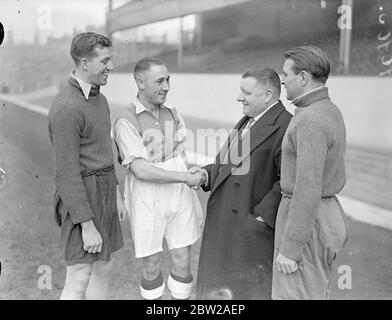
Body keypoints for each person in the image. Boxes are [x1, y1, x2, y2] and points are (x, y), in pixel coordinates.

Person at [193, 67, 292, 299]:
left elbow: (288, 181)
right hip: (228, 225)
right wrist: (207, 174)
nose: (239, 97)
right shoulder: (250, 120)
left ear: (267, 95)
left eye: (246, 92)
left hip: (248, 233)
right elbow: (229, 163)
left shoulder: (286, 125)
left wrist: (260, 217)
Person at [111, 57, 204, 300]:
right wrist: (184, 177)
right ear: (140, 82)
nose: (166, 87)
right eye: (160, 81)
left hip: (179, 192)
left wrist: (192, 172)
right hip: (147, 195)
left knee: (183, 258)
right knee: (151, 263)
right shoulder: (125, 119)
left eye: (168, 79)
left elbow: (180, 155)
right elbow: (141, 170)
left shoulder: (173, 113)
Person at [48, 32, 125, 300]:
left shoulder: (99, 99)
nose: (111, 67)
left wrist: (116, 195)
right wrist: (87, 225)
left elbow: (105, 153)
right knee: (80, 274)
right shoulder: (67, 107)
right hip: (82, 197)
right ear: (84, 63)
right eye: (105, 61)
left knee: (104, 267)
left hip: (104, 192)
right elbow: (66, 175)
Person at [272, 45, 349, 300]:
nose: (282, 80)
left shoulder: (311, 119)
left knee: (294, 294)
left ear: (303, 77)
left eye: (286, 74)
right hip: (324, 215)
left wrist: (292, 247)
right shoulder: (328, 108)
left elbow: (308, 187)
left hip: (308, 217)